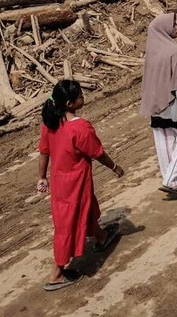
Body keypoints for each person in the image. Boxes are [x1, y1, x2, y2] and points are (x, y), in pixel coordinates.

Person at [37, 80, 124, 292]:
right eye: (80, 97)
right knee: (68, 225)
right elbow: (98, 153)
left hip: (59, 182)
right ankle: (56, 274)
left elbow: (44, 152)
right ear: (70, 103)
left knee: (83, 211)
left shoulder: (51, 123)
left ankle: (101, 237)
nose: (83, 99)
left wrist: (41, 177)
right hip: (75, 183)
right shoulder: (80, 128)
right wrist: (115, 167)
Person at [140, 13, 177, 199]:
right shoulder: (175, 52)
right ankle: (170, 181)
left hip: (156, 107)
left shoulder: (152, 52)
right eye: (174, 25)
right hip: (174, 108)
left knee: (164, 144)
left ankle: (171, 179)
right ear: (164, 29)